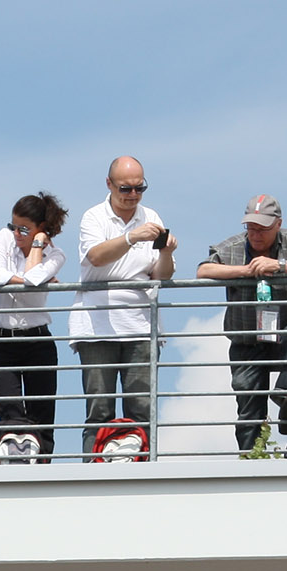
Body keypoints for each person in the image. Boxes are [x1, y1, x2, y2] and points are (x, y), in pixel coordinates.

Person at [195, 195, 287, 455]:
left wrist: (280, 265)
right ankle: (252, 459)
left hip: (284, 334)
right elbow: (204, 271)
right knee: (248, 409)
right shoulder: (232, 246)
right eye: (251, 227)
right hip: (247, 341)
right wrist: (245, 271)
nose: (255, 234)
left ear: (278, 224)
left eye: (262, 228)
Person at [73, 158, 174, 458]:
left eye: (139, 188)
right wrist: (132, 237)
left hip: (141, 327)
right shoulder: (93, 216)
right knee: (99, 409)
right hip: (97, 328)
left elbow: (161, 275)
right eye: (125, 188)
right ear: (109, 184)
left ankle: (143, 472)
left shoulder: (151, 216)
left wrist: (166, 252)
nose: (133, 195)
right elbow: (95, 257)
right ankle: (92, 472)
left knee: (142, 409)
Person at [0, 193, 66, 460]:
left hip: (37, 341)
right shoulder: (3, 237)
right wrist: (32, 280)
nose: (16, 234)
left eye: (24, 229)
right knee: (11, 417)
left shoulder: (55, 255)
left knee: (42, 419)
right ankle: (9, 471)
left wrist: (38, 246)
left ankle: (42, 473)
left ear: (41, 229)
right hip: (1, 340)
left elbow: (32, 277)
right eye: (13, 226)